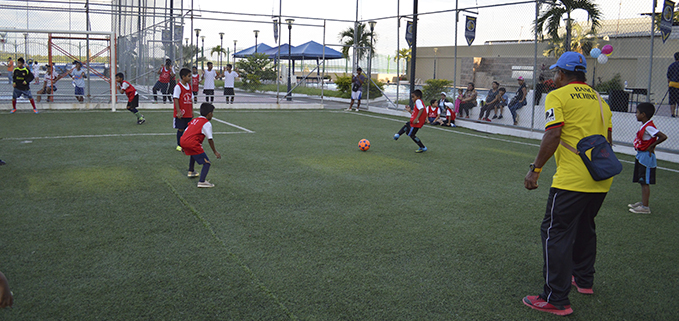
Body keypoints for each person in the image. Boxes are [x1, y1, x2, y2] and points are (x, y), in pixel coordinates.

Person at [522, 52, 613, 316]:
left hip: (572, 180)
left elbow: (553, 133)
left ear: (562, 73)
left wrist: (535, 169)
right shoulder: (600, 100)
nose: (554, 77)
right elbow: (607, 140)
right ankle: (583, 280)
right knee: (586, 228)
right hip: (600, 178)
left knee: (555, 232)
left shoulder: (557, 96)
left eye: (556, 73)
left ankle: (555, 298)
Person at [628, 102, 668, 214]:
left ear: (643, 114)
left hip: (646, 157)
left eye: (637, 112)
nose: (636, 114)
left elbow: (663, 136)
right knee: (641, 181)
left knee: (645, 182)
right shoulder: (645, 125)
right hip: (641, 155)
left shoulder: (649, 127)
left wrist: (651, 146)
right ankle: (643, 202)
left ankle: (645, 208)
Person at [180, 103, 222, 188]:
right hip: (192, 143)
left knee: (193, 153)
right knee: (207, 163)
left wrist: (183, 145)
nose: (212, 115)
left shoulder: (194, 120)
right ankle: (202, 182)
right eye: (212, 113)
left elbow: (186, 131)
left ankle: (191, 171)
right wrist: (215, 152)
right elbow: (210, 139)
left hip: (183, 140)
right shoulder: (206, 123)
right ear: (209, 114)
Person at [173, 68, 194, 152]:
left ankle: (186, 144)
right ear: (183, 77)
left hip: (188, 112)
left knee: (188, 129)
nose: (190, 78)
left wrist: (192, 111)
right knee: (181, 129)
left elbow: (191, 99)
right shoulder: (178, 87)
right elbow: (176, 99)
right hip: (181, 113)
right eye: (189, 76)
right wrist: (178, 111)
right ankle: (179, 145)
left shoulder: (189, 86)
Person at [667, 52, 679, 118]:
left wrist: (669, 84)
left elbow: (668, 76)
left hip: (672, 84)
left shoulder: (671, 66)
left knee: (672, 100)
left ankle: (672, 113)